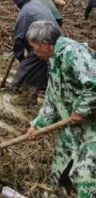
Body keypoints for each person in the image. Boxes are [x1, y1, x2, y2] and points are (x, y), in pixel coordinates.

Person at [25, 20, 96, 197]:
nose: (34, 51)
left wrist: (81, 109)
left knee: (85, 177)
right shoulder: (54, 59)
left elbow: (94, 83)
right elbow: (52, 99)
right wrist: (38, 125)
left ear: (45, 44)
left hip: (91, 130)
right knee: (59, 168)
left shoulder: (74, 52)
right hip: (72, 129)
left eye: (34, 47)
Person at [11, 0, 59, 105]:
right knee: (41, 68)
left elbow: (18, 39)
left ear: (16, 1)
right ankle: (33, 96)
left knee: (25, 69)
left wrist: (20, 57)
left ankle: (25, 97)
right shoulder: (37, 3)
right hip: (55, 39)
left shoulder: (24, 13)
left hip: (45, 43)